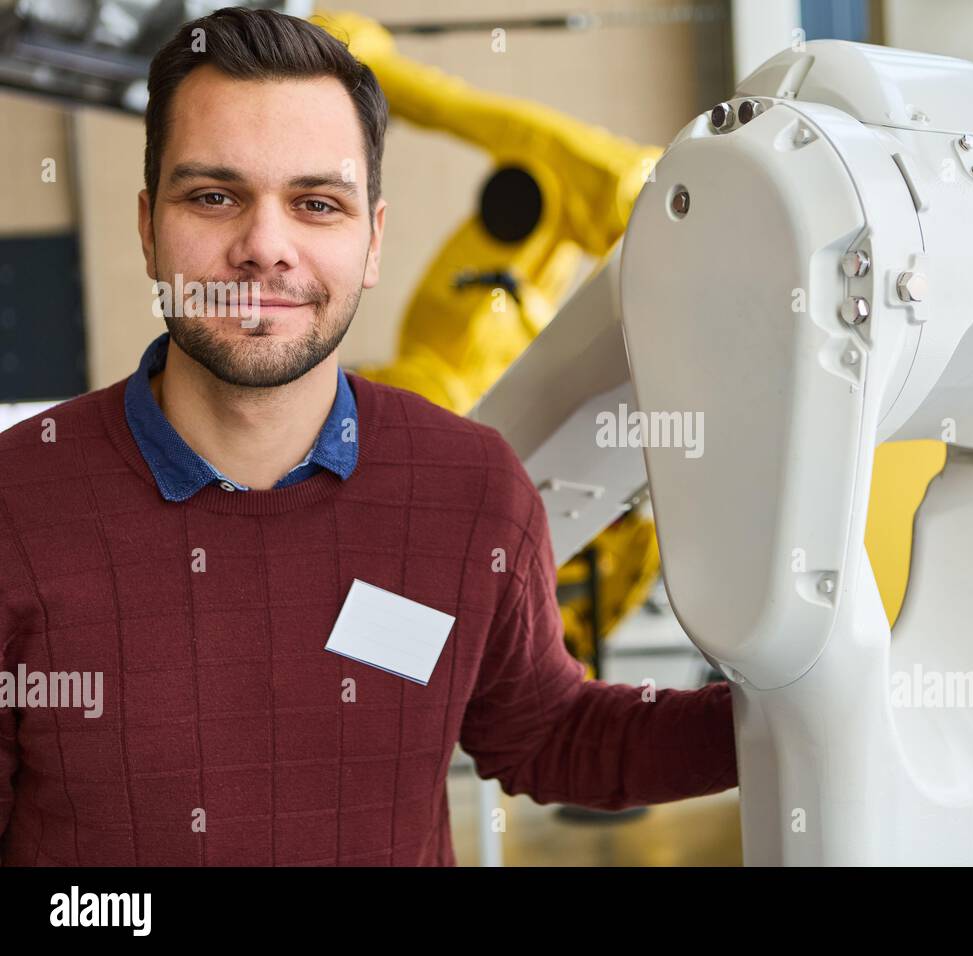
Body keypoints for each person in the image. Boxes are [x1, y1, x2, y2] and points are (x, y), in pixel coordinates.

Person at [0, 6, 736, 866]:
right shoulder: (19, 505)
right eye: (213, 196)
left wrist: (805, 705)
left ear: (373, 240)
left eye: (316, 203)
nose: (264, 247)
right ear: (146, 225)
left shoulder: (469, 491)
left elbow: (547, 732)